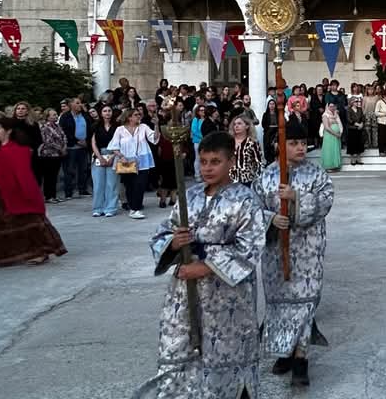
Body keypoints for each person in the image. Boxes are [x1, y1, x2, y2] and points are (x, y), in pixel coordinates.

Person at [135, 131, 266, 399]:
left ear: (231, 162)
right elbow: (164, 231)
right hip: (185, 290)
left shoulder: (245, 199)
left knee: (227, 349)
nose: (207, 168)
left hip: (227, 294)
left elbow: (250, 246)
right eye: (203, 161)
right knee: (181, 346)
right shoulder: (190, 196)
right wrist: (174, 243)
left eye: (215, 161)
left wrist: (205, 267)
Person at [252, 122, 335, 387]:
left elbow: (326, 201)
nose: (300, 148)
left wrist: (296, 196)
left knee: (304, 304)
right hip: (277, 252)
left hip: (308, 250)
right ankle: (285, 352)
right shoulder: (265, 176)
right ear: (280, 145)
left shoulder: (316, 174)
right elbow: (252, 210)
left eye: (302, 143)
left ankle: (301, 358)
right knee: (280, 303)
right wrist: (270, 219)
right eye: (293, 143)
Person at [0, 118, 67, 270]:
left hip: (16, 193)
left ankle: (39, 252)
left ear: (8, 131)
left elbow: (20, 172)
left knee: (28, 223)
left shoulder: (19, 150)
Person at [111, 108, 161, 220]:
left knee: (140, 184)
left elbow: (154, 138)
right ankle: (132, 207)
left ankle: (136, 208)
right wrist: (121, 156)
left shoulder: (143, 127)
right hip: (126, 161)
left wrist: (156, 125)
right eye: (136, 114)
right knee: (129, 185)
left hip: (142, 160)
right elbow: (114, 146)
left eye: (139, 114)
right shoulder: (120, 129)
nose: (139, 116)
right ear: (129, 117)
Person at [88, 105, 119, 214]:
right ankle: (98, 208)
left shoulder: (117, 126)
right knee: (98, 184)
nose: (107, 113)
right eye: (105, 111)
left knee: (112, 184)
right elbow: (93, 143)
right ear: (101, 113)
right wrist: (99, 157)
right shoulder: (95, 126)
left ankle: (111, 208)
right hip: (99, 154)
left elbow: (120, 142)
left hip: (114, 154)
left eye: (109, 110)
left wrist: (113, 157)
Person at [58, 98, 91, 200]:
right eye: (77, 103)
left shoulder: (85, 115)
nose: (80, 105)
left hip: (84, 147)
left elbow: (90, 129)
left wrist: (87, 142)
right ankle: (68, 192)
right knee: (69, 170)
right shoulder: (65, 116)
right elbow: (64, 131)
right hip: (71, 147)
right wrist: (77, 141)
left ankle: (83, 190)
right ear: (71, 105)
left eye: (80, 103)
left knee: (83, 169)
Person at [36, 108, 67, 205]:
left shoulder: (58, 126)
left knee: (54, 176)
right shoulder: (45, 127)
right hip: (48, 155)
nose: (56, 116)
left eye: (56, 114)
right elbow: (48, 141)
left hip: (58, 155)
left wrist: (64, 146)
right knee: (48, 176)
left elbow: (64, 136)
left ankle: (53, 195)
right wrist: (60, 148)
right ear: (48, 117)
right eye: (53, 115)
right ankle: (48, 196)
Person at [230, 115, 263, 186]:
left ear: (247, 126)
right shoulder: (228, 142)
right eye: (234, 124)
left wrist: (258, 181)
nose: (236, 126)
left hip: (247, 181)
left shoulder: (252, 142)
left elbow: (259, 162)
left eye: (239, 123)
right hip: (230, 180)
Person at [319, 102, 343, 173]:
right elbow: (327, 127)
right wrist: (336, 134)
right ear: (327, 107)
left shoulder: (336, 114)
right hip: (329, 135)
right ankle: (329, 166)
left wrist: (340, 132)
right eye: (330, 106)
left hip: (336, 136)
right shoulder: (325, 115)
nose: (332, 108)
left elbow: (339, 124)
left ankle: (335, 166)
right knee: (329, 150)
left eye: (333, 106)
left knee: (335, 150)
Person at [346, 96, 366, 165]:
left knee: (359, 144)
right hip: (352, 129)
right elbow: (349, 119)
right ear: (352, 102)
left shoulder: (360, 109)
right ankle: (352, 160)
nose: (358, 102)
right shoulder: (348, 110)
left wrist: (362, 124)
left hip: (359, 129)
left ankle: (358, 159)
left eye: (358, 101)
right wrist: (357, 124)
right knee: (352, 145)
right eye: (356, 101)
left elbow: (363, 117)